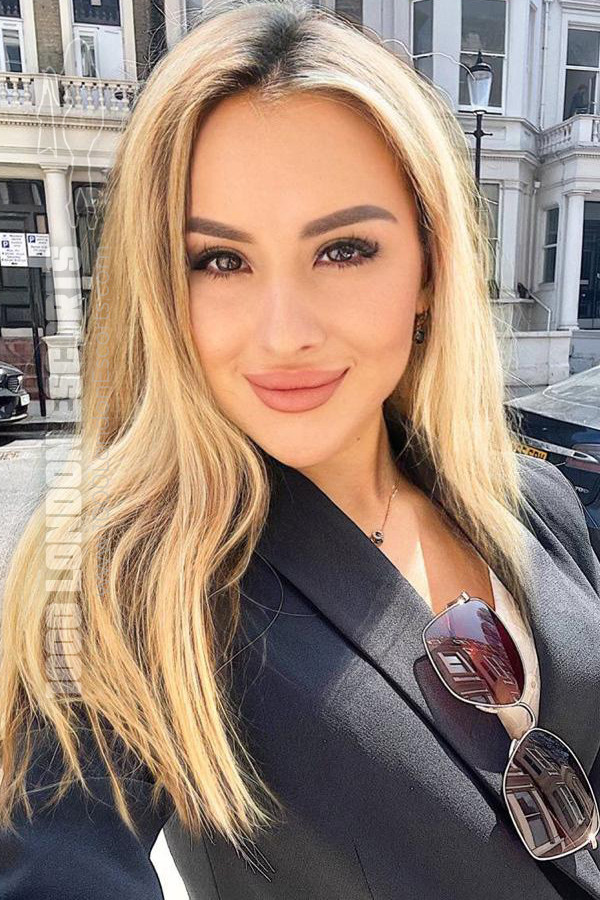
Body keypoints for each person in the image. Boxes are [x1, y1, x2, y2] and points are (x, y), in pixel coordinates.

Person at [1, 1, 600, 897]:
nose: (284, 334)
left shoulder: (534, 502)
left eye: (345, 249)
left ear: (429, 267)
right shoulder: (128, 576)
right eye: (220, 261)